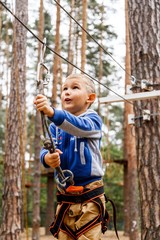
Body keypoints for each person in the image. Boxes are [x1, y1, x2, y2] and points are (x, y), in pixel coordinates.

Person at [34, 73, 108, 240]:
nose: (67, 92)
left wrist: (52, 112)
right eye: (64, 89)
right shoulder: (55, 127)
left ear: (90, 98)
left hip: (90, 195)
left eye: (75, 88)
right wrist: (47, 158)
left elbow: (78, 127)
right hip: (66, 196)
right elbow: (46, 148)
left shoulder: (92, 120)